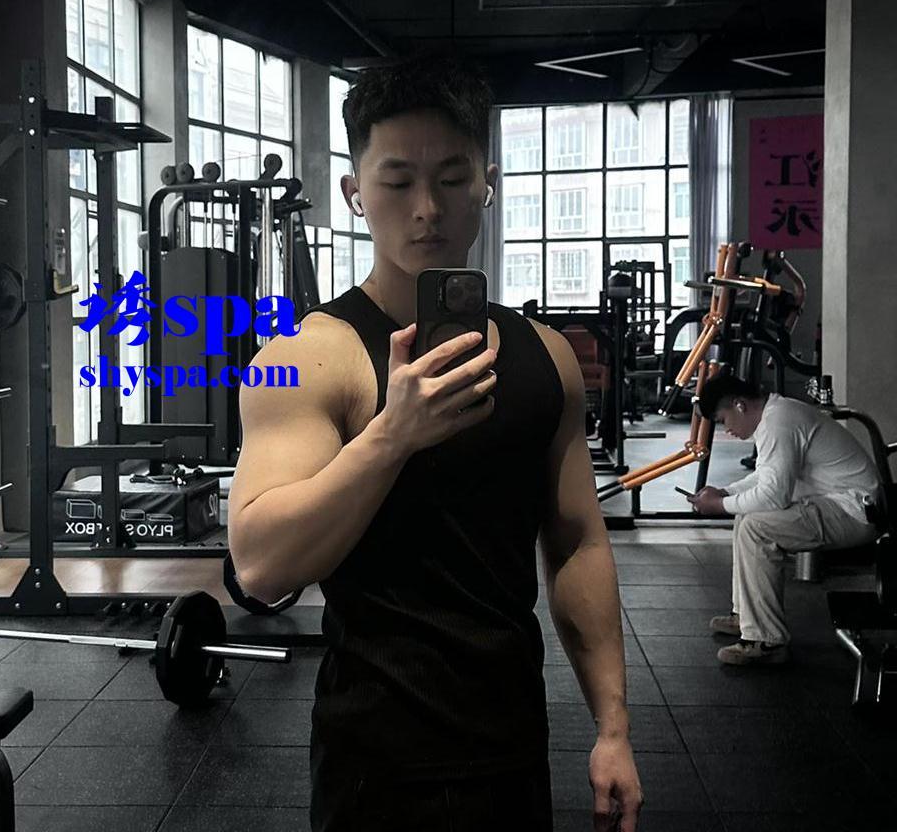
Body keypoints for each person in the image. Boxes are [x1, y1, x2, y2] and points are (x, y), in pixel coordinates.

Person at [228, 55, 642, 831]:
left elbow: (578, 542)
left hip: (514, 752)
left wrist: (612, 727)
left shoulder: (547, 357)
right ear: (355, 193)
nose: (427, 210)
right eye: (397, 182)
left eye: (452, 179)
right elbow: (259, 564)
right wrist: (392, 436)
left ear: (487, 183)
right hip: (373, 767)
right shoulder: (305, 358)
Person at [687, 372, 880, 666]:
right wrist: (725, 493)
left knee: (756, 528)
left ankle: (766, 641)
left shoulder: (778, 422)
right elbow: (766, 478)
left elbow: (773, 496)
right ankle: (747, 616)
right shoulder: (776, 415)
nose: (727, 430)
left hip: (856, 511)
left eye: (724, 420)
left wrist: (720, 505)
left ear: (740, 405)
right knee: (747, 516)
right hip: (838, 503)